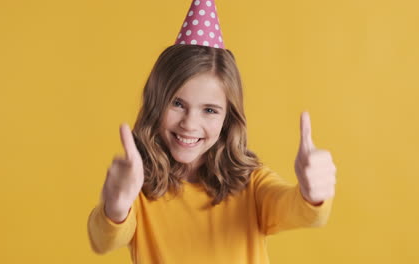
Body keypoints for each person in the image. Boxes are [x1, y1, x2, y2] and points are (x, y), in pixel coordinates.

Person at [87, 1, 336, 263]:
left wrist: (312, 193)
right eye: (177, 103)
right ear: (156, 102)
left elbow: (297, 210)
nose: (189, 124)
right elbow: (103, 239)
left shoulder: (251, 185)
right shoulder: (139, 186)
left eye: (209, 110)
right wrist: (116, 205)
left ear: (228, 117)